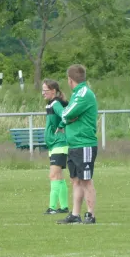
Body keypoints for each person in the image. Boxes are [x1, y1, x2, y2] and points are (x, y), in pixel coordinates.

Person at [57, 64, 99, 225]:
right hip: (74, 143)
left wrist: (65, 115)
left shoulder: (83, 93)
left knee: (86, 179)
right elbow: (68, 116)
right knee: (75, 179)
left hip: (84, 144)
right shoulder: (76, 94)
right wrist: (68, 117)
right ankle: (75, 214)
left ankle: (90, 214)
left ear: (70, 79)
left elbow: (66, 113)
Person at [41, 79, 70, 215]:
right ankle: (64, 207)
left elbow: (66, 115)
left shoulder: (56, 104)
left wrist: (61, 127)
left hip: (59, 143)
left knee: (53, 175)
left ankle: (52, 208)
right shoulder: (51, 104)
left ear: (53, 91)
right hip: (54, 144)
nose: (43, 93)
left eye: (45, 90)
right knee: (59, 176)